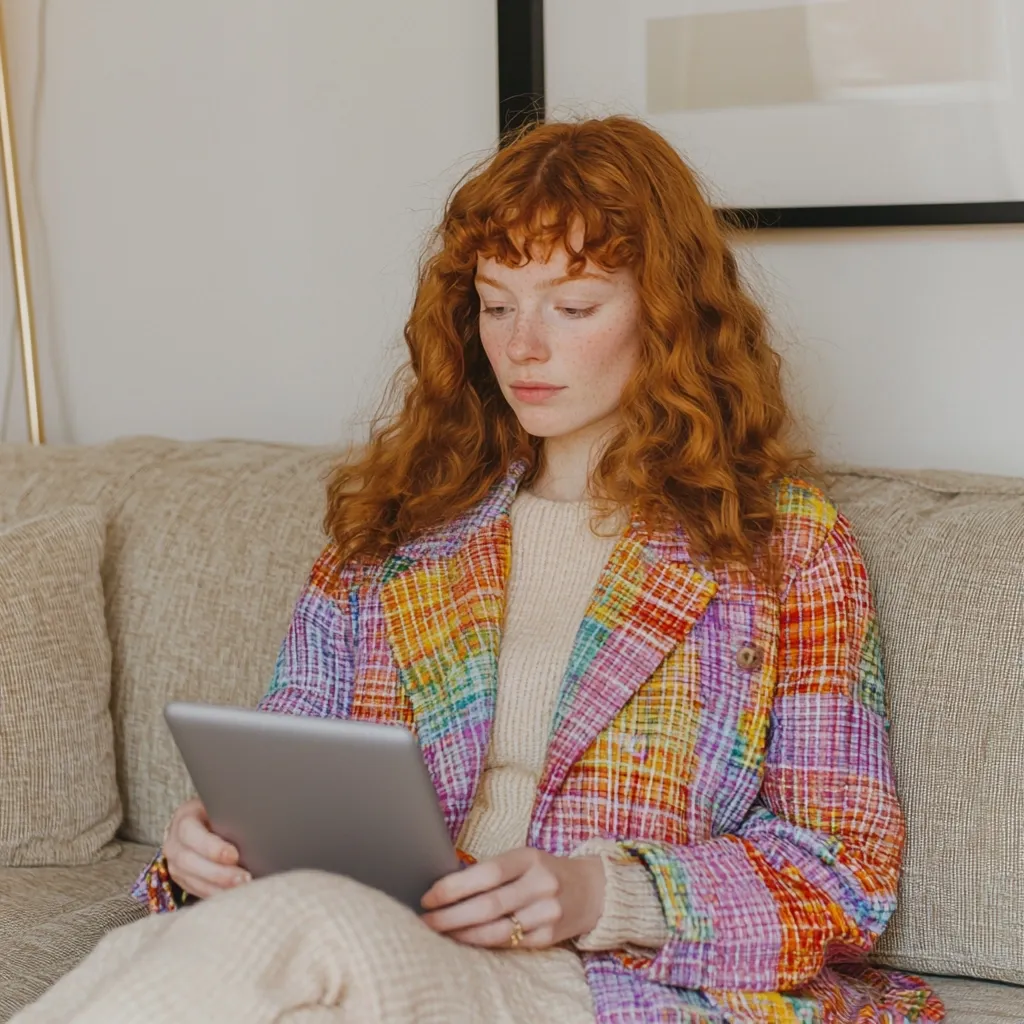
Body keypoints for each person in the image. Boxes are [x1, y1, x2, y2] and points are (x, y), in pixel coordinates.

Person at [16, 115, 945, 1024]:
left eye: (571, 307)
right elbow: (289, 770)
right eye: (496, 305)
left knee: (300, 940)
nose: (522, 346)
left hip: (605, 982)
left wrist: (599, 894)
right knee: (170, 947)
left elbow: (843, 871)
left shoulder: (783, 549)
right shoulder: (393, 531)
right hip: (383, 942)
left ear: (669, 315)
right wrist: (202, 854)